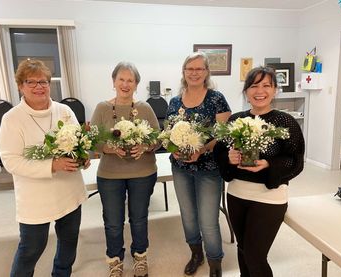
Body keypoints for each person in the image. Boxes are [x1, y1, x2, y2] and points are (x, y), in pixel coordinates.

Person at [0, 59, 88, 276]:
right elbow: (11, 161)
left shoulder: (64, 111)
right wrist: (52, 165)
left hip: (69, 191)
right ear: (20, 85)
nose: (39, 86)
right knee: (31, 248)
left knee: (68, 243)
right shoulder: (12, 119)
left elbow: (78, 144)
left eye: (44, 81)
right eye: (32, 82)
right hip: (35, 197)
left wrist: (83, 158)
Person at [214, 66, 305, 277]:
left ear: (275, 90)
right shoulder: (235, 120)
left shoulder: (285, 122)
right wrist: (229, 158)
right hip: (236, 194)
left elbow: (296, 161)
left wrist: (269, 164)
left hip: (270, 197)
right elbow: (220, 151)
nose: (260, 91)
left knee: (255, 256)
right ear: (246, 91)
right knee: (243, 249)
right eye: (254, 85)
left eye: (266, 85)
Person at [90, 62, 160, 277]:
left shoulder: (145, 108)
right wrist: (108, 148)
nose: (125, 84)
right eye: (121, 79)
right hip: (110, 175)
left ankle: (140, 256)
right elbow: (92, 141)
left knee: (139, 219)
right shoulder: (102, 108)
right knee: (113, 222)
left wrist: (146, 146)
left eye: (130, 80)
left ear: (136, 84)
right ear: (113, 82)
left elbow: (158, 138)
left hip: (143, 173)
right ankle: (115, 260)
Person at [166, 52, 231, 277]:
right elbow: (169, 133)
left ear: (206, 72)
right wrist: (175, 151)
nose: (194, 73)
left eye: (199, 69)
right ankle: (196, 254)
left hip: (209, 169)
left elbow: (223, 134)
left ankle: (215, 263)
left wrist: (201, 149)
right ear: (184, 72)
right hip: (181, 168)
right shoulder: (175, 101)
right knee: (188, 215)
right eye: (190, 69)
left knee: (208, 219)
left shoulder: (216, 98)